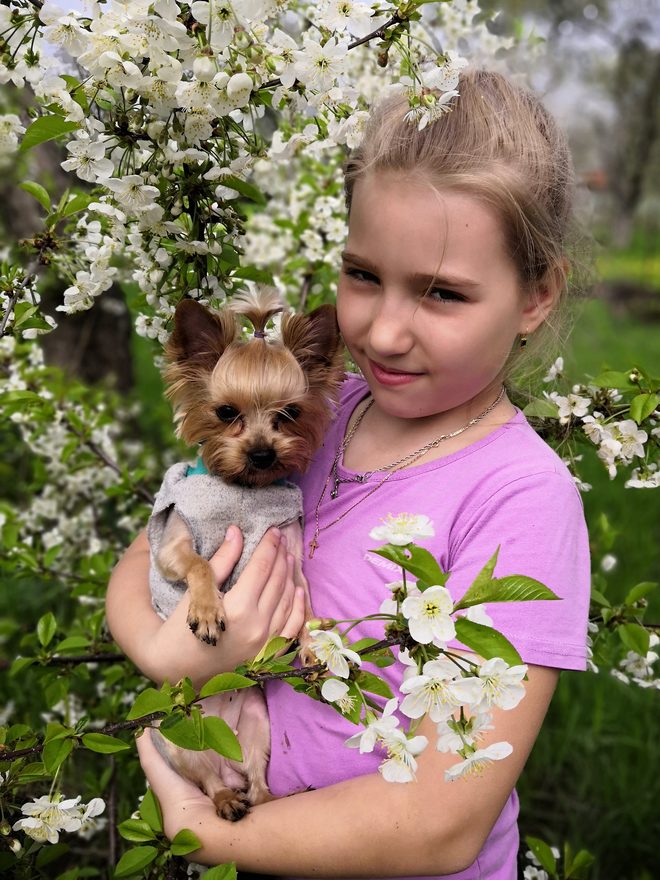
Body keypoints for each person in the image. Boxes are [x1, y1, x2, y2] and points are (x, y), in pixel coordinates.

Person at [107, 69, 591, 879]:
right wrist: (167, 660)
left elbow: (441, 821)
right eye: (362, 275)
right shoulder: (308, 413)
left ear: (536, 295)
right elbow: (146, 550)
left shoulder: (520, 497)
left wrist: (202, 830)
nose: (386, 330)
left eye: (442, 293)